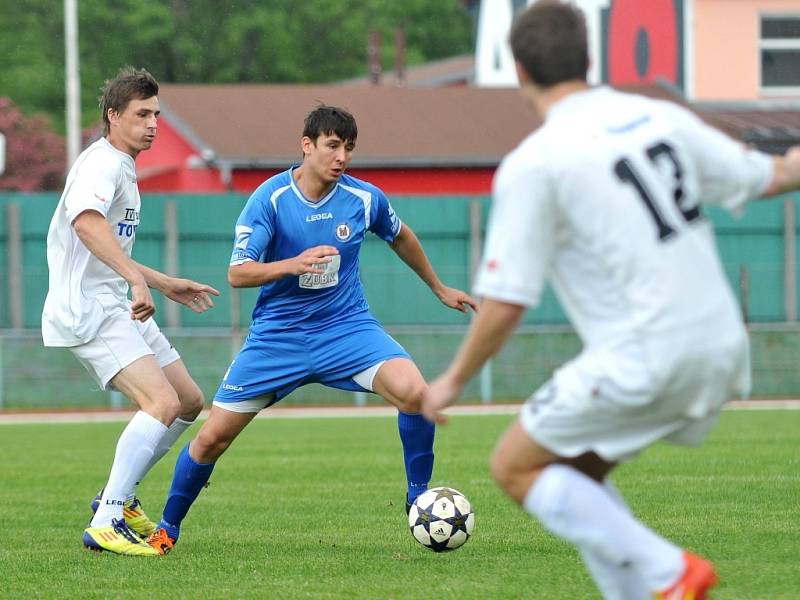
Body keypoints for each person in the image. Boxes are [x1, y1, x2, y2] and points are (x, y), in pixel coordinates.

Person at [420, 2, 800, 599]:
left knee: (515, 467)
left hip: (645, 351)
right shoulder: (657, 118)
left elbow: (507, 299)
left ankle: (668, 571)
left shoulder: (535, 163)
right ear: (590, 58)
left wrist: (452, 381)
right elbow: (774, 176)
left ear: (518, 69)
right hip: (723, 342)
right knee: (577, 477)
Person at [145, 105, 477, 553]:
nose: (341, 157)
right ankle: (167, 528)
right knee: (211, 439)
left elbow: (401, 235)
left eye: (349, 148)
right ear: (308, 145)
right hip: (278, 338)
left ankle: (418, 497)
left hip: (346, 329)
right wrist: (292, 265)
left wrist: (438, 287)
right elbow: (238, 274)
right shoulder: (271, 199)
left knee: (417, 393)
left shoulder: (363, 198)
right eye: (332, 146)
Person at [42, 67, 220, 557]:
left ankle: (113, 499)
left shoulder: (121, 165)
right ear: (112, 116)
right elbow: (86, 224)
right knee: (159, 404)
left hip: (114, 303)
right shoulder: (101, 163)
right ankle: (107, 519)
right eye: (142, 114)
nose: (153, 124)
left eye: (157, 114)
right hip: (89, 309)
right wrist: (137, 280)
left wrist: (161, 282)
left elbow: (107, 245)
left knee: (186, 400)